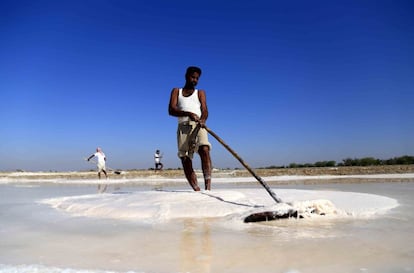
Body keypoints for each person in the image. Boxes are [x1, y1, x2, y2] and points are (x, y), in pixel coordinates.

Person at [168, 66, 212, 191]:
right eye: (192, 77)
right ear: (186, 76)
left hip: (199, 125)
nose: (195, 80)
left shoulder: (200, 93)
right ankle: (196, 189)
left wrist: (203, 119)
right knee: (185, 157)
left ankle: (208, 187)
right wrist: (188, 114)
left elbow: (205, 110)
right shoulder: (177, 91)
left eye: (197, 78)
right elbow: (171, 110)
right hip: (183, 127)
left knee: (204, 149)